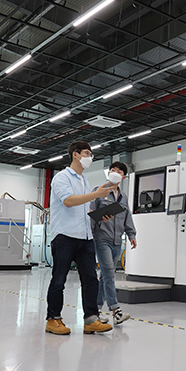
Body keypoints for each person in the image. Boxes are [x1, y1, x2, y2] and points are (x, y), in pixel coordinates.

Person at [45, 141, 115, 335]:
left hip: (85, 236)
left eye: (91, 154)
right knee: (59, 279)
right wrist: (94, 194)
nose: (90, 157)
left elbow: (83, 208)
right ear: (75, 155)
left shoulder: (84, 181)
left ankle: (91, 319)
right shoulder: (62, 178)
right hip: (64, 236)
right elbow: (68, 201)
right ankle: (53, 319)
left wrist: (100, 215)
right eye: (87, 153)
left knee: (91, 279)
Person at [90, 161, 136, 325]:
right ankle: (116, 310)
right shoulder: (99, 191)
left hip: (117, 241)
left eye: (118, 171)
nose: (114, 172)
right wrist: (91, 234)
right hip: (101, 238)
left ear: (123, 176)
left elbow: (127, 217)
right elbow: (90, 213)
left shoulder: (123, 197)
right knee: (109, 272)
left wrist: (132, 234)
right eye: (112, 169)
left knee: (105, 276)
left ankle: (95, 310)